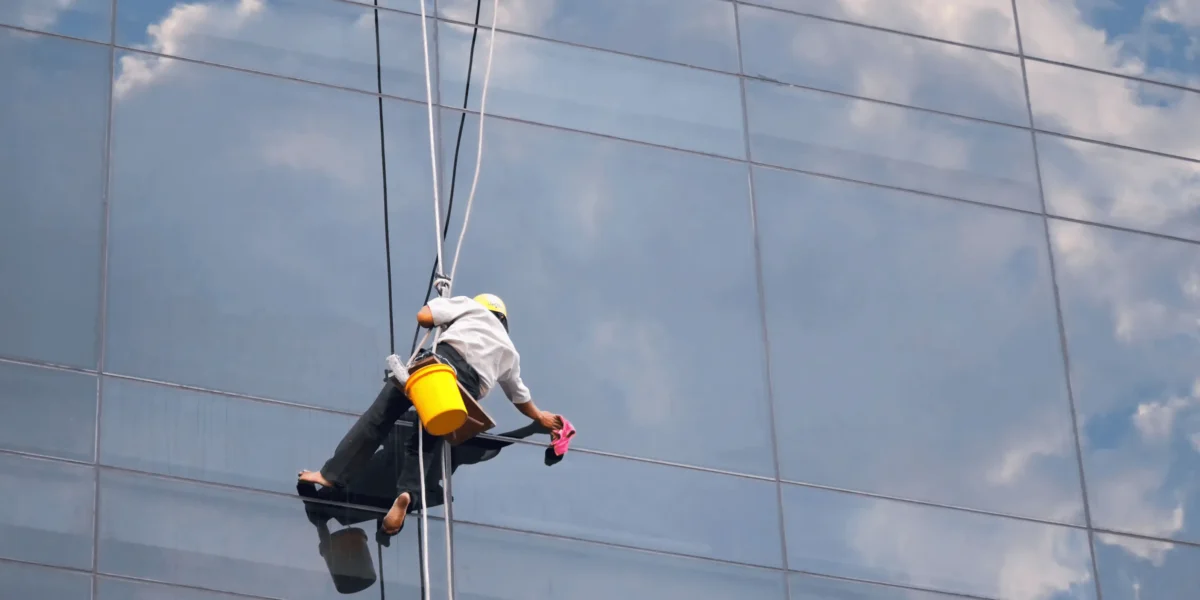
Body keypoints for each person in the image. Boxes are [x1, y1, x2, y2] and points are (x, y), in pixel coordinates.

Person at [298, 293, 564, 536]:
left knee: (379, 418)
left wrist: (440, 313)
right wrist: (539, 417)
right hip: (463, 392)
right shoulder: (510, 352)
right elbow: (520, 396)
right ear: (504, 323)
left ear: (481, 306)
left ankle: (331, 474)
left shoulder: (469, 307)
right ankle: (406, 494)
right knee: (426, 441)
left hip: (437, 370)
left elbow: (424, 317)